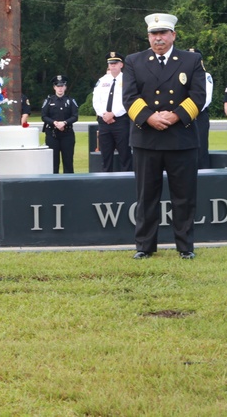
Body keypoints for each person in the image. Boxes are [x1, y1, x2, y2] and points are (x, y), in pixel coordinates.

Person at [123, 13, 206, 260]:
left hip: (181, 138)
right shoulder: (133, 61)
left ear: (173, 35)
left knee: (184, 196)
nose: (158, 38)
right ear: (148, 36)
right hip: (146, 138)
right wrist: (150, 118)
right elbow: (129, 97)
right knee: (146, 196)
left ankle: (185, 246)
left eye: (163, 34)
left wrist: (174, 116)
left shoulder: (191, 60)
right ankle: (144, 246)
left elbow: (199, 95)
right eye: (153, 34)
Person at [92, 52, 132, 171]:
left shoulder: (127, 80)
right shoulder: (102, 80)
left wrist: (113, 113)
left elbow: (128, 100)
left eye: (115, 63)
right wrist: (104, 114)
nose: (113, 65)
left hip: (121, 121)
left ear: (121, 65)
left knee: (125, 154)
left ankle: (126, 181)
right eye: (110, 63)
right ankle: (106, 181)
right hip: (104, 122)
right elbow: (96, 100)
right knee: (105, 154)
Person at [41, 74, 79, 173]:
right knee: (53, 162)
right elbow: (44, 116)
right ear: (54, 87)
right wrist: (54, 123)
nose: (60, 88)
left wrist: (65, 123)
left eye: (62, 86)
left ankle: (69, 186)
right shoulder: (49, 101)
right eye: (58, 86)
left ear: (65, 87)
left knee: (68, 162)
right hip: (52, 134)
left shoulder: (70, 101)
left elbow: (75, 116)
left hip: (67, 134)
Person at [192, 49, 214, 169]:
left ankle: (204, 173)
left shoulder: (206, 76)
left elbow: (207, 98)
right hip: (184, 116)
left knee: (201, 146)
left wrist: (192, 110)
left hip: (199, 115)